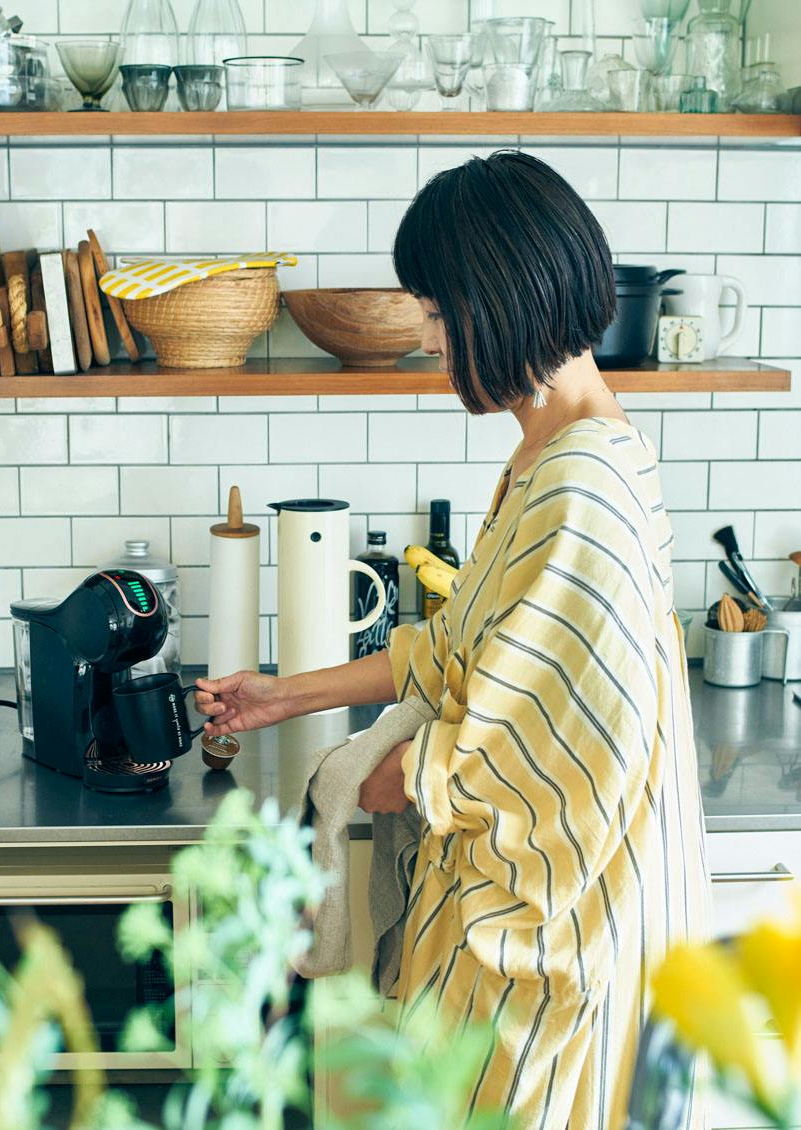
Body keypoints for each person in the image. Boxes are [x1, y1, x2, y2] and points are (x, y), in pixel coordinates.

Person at [195, 151, 709, 1130]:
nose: (427, 338)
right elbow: (463, 651)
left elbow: (559, 748)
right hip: (527, 908)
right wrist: (285, 692)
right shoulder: (548, 453)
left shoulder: (580, 489)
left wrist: (395, 774)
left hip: (566, 935)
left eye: (435, 311)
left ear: (500, 298)